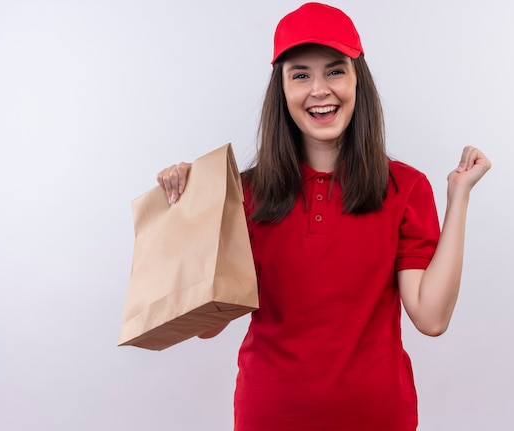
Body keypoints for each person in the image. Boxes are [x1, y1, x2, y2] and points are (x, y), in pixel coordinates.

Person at [157, 3, 491, 430]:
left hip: (379, 418)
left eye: (335, 71)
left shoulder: (405, 188)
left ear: (358, 81)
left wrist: (458, 196)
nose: (319, 89)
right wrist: (191, 208)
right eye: (301, 75)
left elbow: (431, 316)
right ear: (281, 89)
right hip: (269, 416)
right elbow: (206, 327)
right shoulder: (243, 194)